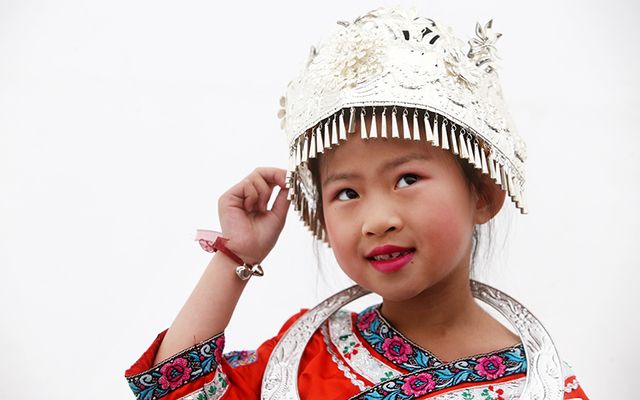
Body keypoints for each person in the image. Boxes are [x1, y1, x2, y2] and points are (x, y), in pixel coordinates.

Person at [124, 6, 588, 399]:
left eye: (407, 178)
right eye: (347, 193)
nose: (376, 220)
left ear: (483, 195)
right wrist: (236, 258)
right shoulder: (306, 353)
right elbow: (169, 391)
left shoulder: (543, 386)